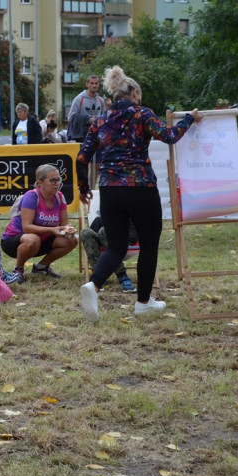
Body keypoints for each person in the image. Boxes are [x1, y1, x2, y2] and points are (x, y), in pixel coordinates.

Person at [77, 65, 200, 322]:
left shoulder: (100, 119)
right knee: (149, 244)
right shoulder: (142, 114)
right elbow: (169, 136)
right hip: (140, 186)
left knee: (116, 246)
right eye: (139, 96)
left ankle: (94, 285)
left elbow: (81, 158)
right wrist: (189, 118)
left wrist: (84, 189)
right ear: (133, 93)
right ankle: (143, 302)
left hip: (109, 189)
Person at [0, 164, 79, 282]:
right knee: (33, 239)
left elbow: (64, 224)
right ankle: (18, 270)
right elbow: (27, 228)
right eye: (53, 180)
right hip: (14, 241)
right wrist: (52, 230)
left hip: (42, 240)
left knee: (71, 240)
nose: (57, 183)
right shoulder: (31, 196)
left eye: (58, 179)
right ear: (40, 182)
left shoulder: (59, 197)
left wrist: (68, 230)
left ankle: (41, 267)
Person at [80, 215, 137, 293]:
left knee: (105, 231)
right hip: (103, 247)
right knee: (85, 232)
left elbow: (133, 237)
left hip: (121, 246)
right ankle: (98, 276)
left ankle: (122, 275)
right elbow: (93, 234)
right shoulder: (101, 218)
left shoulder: (131, 218)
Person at [66, 74, 106, 143]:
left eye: (96, 83)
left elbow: (104, 117)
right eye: (92, 83)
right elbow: (70, 117)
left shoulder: (101, 100)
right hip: (82, 137)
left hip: (97, 137)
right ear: (87, 84)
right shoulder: (79, 99)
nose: (94, 85)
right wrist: (88, 119)